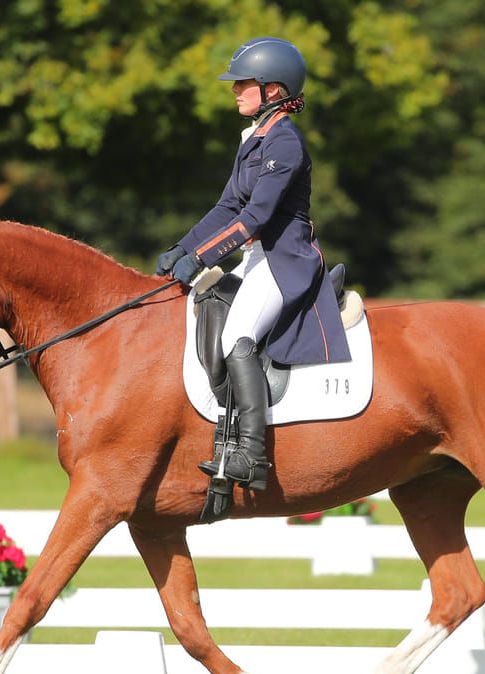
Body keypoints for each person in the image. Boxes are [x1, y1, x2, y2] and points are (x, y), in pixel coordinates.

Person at [157, 37, 350, 491]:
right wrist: (180, 250)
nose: (235, 90)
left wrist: (201, 258)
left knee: (237, 337)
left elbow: (255, 218)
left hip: (286, 262)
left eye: (244, 83)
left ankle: (250, 455)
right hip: (258, 259)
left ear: (274, 90)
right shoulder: (255, 139)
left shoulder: (284, 142)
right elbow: (226, 208)